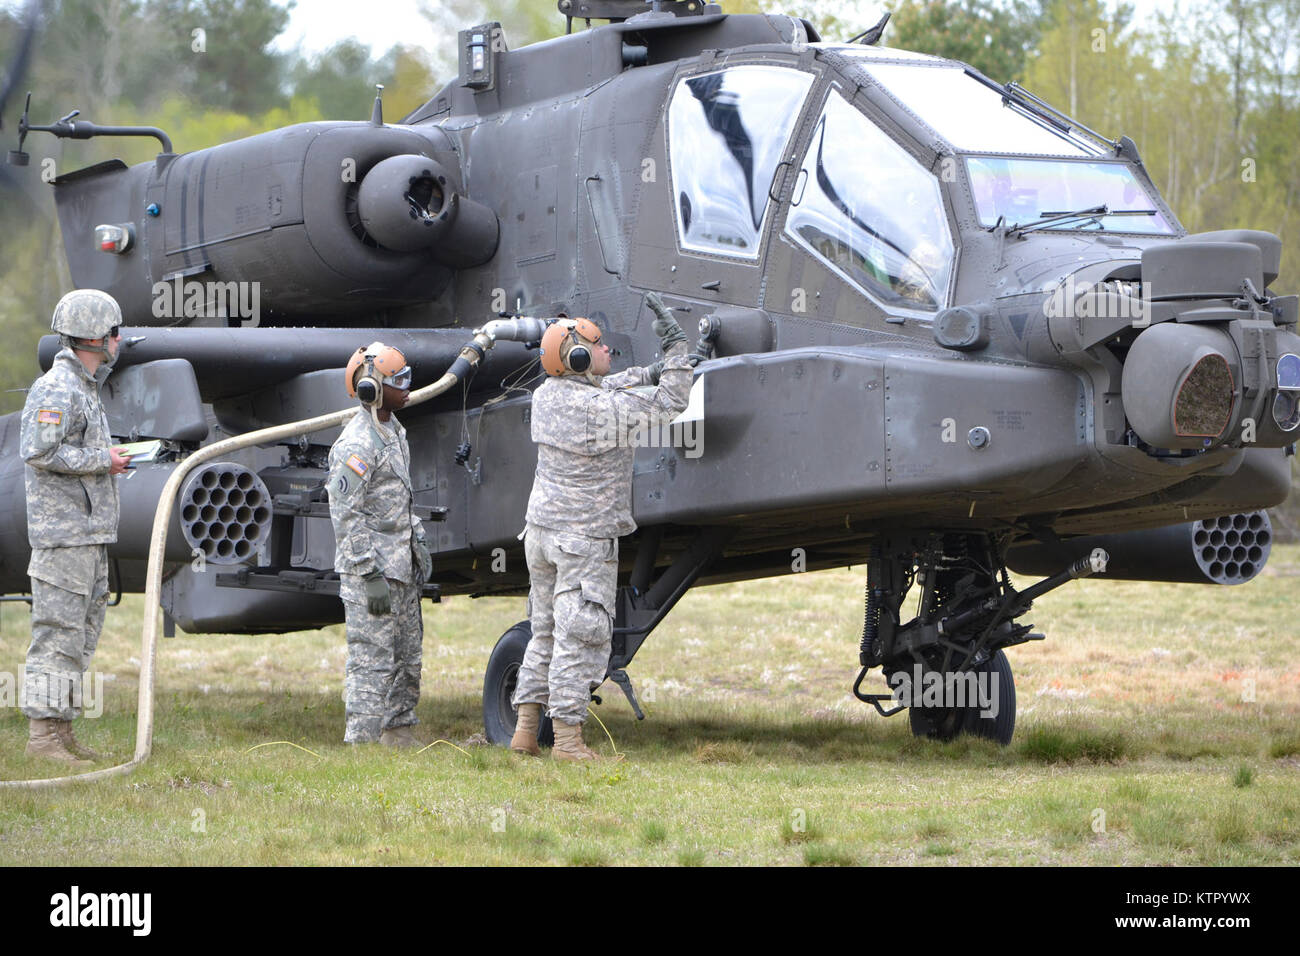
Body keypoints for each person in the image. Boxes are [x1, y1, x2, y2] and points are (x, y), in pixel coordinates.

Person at [511, 293, 693, 761]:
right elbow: (672, 401)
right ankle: (568, 742)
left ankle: (526, 732)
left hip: (541, 534)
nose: (608, 350)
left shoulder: (548, 395)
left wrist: (649, 372)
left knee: (545, 630)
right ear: (576, 357)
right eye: (598, 345)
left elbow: (607, 388)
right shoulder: (601, 414)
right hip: (582, 539)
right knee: (581, 634)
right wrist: (676, 351)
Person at [19, 288, 132, 766]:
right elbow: (38, 451)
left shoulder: (84, 385)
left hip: (86, 537)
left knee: (80, 636)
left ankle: (61, 732)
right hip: (63, 538)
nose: (119, 340)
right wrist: (100, 460)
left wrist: (107, 461)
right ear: (98, 337)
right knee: (57, 635)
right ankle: (42, 739)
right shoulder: (57, 388)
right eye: (115, 333)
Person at [325, 341, 432, 746]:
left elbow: (398, 499)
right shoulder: (357, 444)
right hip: (372, 573)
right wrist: (367, 572)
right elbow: (345, 513)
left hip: (400, 568)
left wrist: (416, 540)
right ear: (371, 388)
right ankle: (362, 743)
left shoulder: (393, 432)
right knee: (372, 659)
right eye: (398, 380)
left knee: (407, 657)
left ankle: (398, 732)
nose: (407, 386)